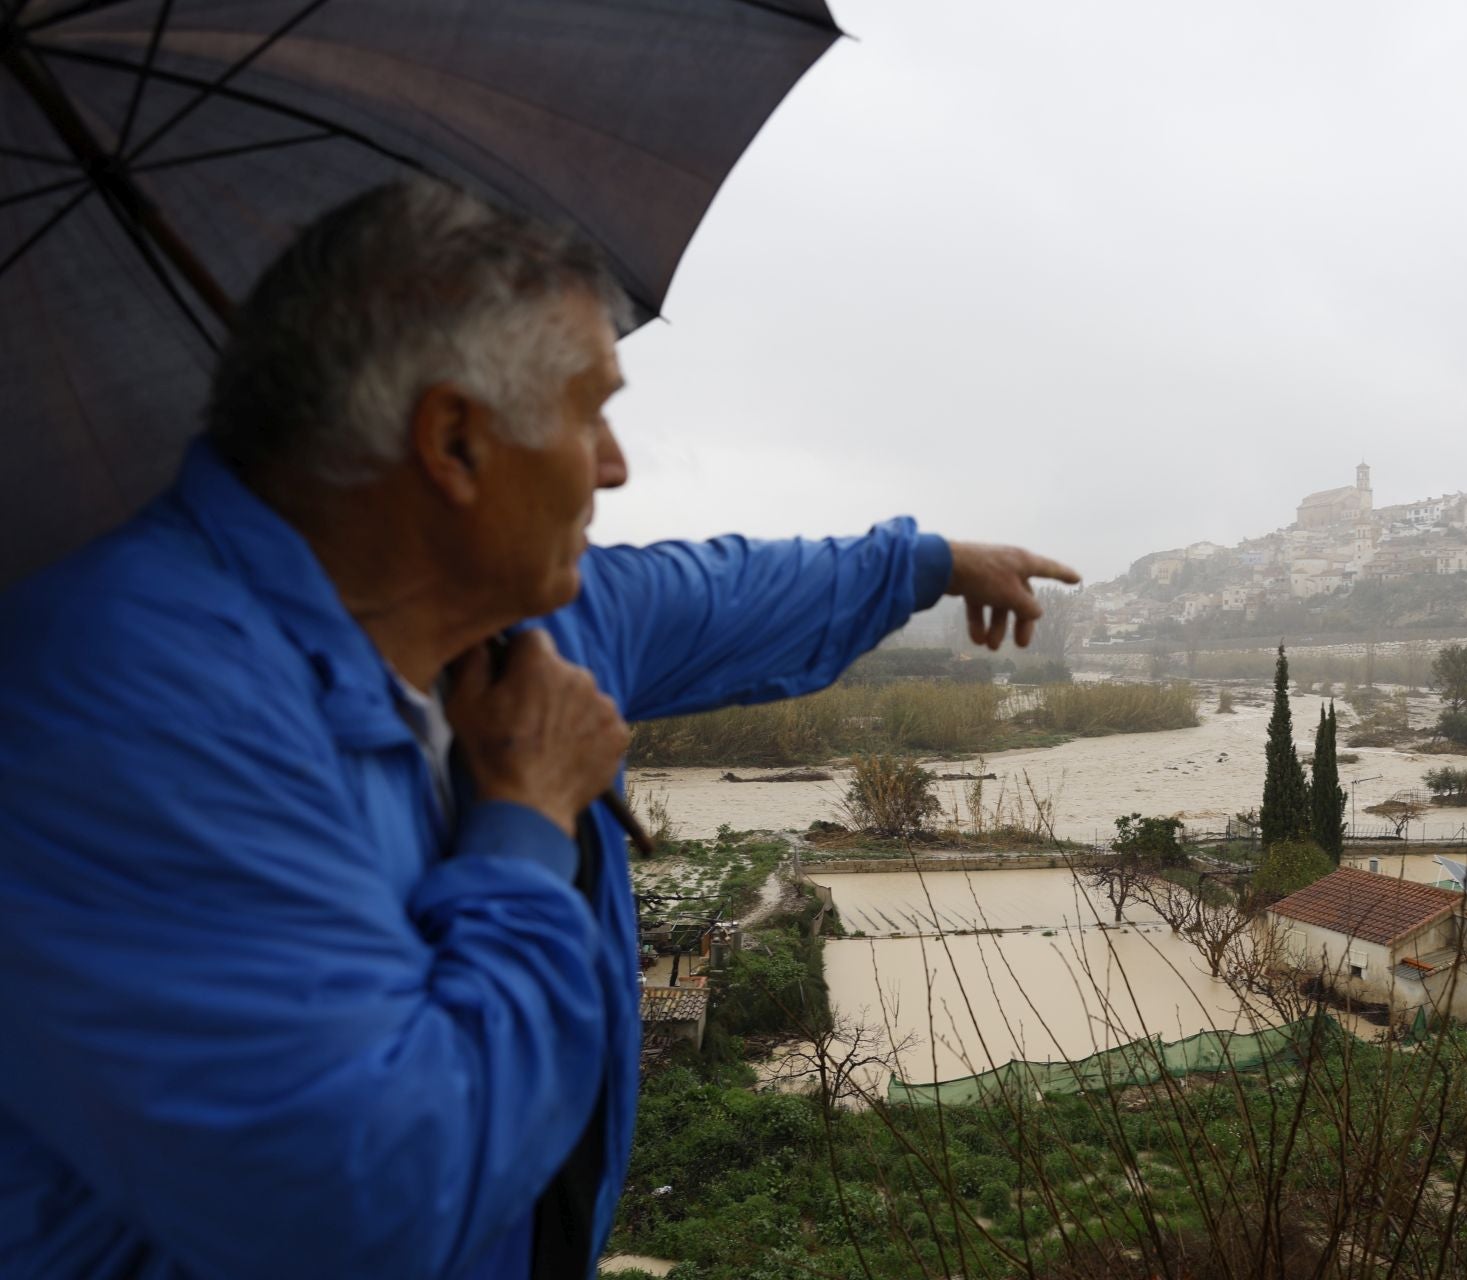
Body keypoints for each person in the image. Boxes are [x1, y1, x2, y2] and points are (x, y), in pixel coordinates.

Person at [0, 179, 1077, 1280]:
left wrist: (931, 562)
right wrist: (522, 825)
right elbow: (376, 1203)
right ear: (456, 441)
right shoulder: (128, 714)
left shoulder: (521, 622)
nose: (614, 465)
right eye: (588, 409)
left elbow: (731, 590)